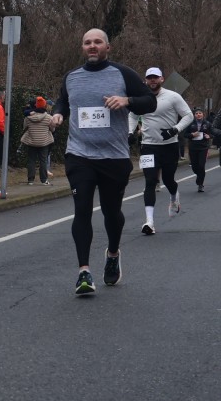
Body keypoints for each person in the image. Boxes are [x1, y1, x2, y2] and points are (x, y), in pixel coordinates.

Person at [50, 28, 156, 296]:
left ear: (108, 47)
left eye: (98, 42)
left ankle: (113, 253)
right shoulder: (72, 77)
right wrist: (58, 114)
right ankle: (83, 272)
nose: (92, 46)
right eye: (87, 42)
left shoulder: (123, 74)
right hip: (79, 155)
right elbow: (63, 102)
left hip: (114, 157)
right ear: (82, 47)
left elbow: (150, 103)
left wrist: (127, 100)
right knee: (82, 209)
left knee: (111, 212)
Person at [127, 66, 192, 235]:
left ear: (162, 79)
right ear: (145, 80)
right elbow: (132, 115)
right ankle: (149, 222)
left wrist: (175, 129)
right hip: (148, 146)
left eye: (155, 77)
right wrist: (130, 132)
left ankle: (174, 197)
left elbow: (188, 115)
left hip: (170, 145)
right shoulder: (140, 98)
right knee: (150, 181)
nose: (152, 80)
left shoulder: (173, 96)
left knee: (169, 180)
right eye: (149, 78)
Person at [22, 96, 54, 185]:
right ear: (44, 106)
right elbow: (52, 129)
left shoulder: (28, 117)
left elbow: (24, 127)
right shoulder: (49, 117)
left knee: (31, 160)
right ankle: (44, 180)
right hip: (44, 142)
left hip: (31, 141)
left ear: (35, 105)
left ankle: (30, 180)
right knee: (43, 161)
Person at [185, 107, 211, 192]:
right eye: (196, 113)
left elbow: (212, 133)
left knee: (201, 166)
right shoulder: (190, 124)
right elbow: (185, 134)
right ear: (194, 115)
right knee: (194, 166)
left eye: (200, 113)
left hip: (203, 147)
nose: (198, 114)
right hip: (193, 147)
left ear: (203, 114)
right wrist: (192, 135)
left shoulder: (207, 123)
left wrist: (209, 136)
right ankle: (200, 175)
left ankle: (200, 184)